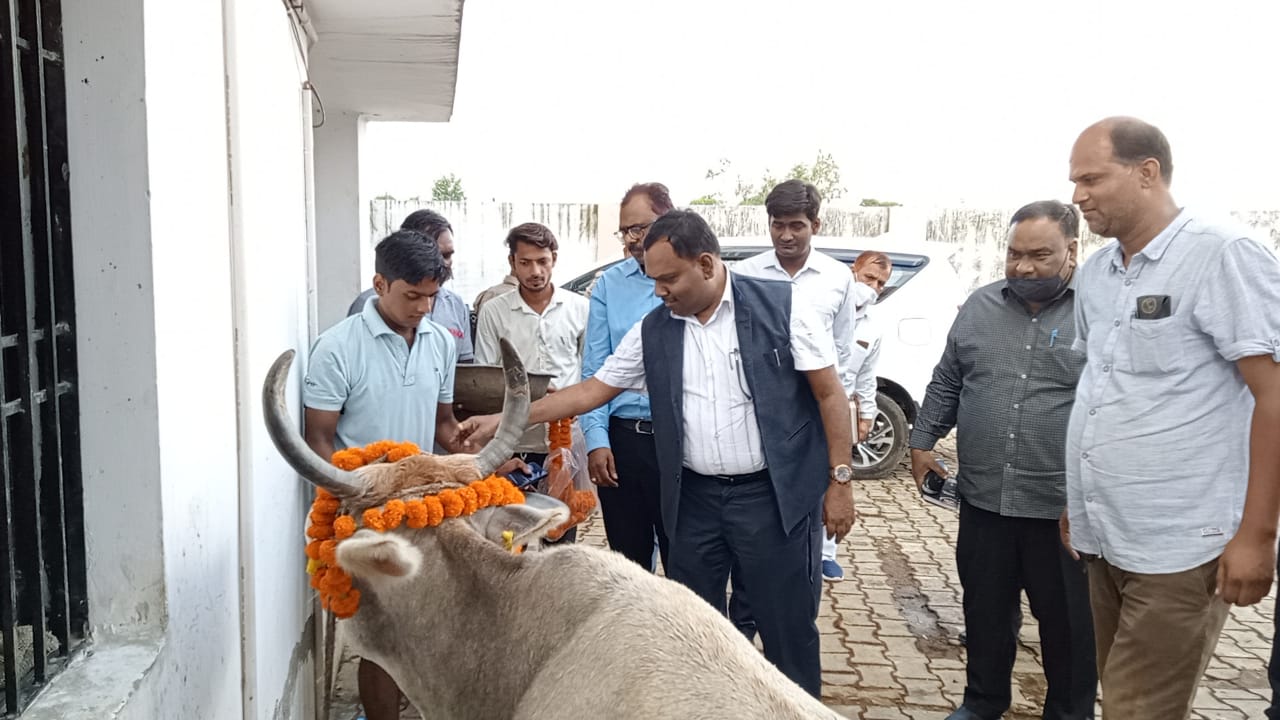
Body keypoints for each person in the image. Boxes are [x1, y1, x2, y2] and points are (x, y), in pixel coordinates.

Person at [457, 210, 857, 696]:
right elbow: (592, 390)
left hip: (772, 500)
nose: (659, 291)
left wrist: (839, 481)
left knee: (787, 628)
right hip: (695, 503)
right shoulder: (655, 329)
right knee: (695, 633)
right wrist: (505, 420)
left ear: (706, 264)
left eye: (668, 279)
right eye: (653, 280)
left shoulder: (784, 307)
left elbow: (830, 395)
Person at [1062, 116, 1280, 720]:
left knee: (1138, 710)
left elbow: (1274, 396)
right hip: (1106, 537)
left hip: (1180, 547)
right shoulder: (1098, 273)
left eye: (1091, 179)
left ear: (1147, 173)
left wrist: (1257, 536)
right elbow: (1101, 389)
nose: (1077, 196)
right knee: (1122, 699)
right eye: (1074, 181)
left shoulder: (1222, 254)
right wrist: (1077, 499)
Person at [910, 200, 1095, 720]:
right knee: (986, 614)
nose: (1024, 267)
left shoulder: (1098, 311)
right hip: (984, 502)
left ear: (1072, 250)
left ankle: (1070, 712)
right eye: (1014, 254)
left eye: (1040, 256)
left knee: (1069, 627)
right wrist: (922, 442)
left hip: (1061, 512)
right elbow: (948, 379)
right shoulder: (980, 306)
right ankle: (982, 703)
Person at [305, 230, 479, 720]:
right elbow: (318, 438)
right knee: (382, 638)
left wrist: (478, 455)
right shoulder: (336, 348)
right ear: (379, 284)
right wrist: (350, 497)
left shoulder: (439, 342)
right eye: (412, 295)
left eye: (432, 296)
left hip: (424, 506)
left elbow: (444, 426)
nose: (424, 307)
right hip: (363, 512)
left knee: (426, 626)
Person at [733, 179, 858, 584]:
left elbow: (842, 350)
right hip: (759, 409)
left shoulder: (837, 277)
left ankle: (815, 558)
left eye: (796, 225)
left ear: (815, 225)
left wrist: (844, 408)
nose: (786, 235)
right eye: (778, 225)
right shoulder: (744, 275)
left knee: (812, 492)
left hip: (816, 405)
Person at [473, 222, 589, 541]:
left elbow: (590, 373)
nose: (535, 271)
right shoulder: (494, 311)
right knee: (510, 539)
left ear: (554, 259)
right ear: (512, 262)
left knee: (561, 535)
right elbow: (486, 378)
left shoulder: (580, 308)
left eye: (542, 261)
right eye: (525, 262)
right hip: (514, 443)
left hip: (565, 443)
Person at [580, 182, 671, 570]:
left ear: (668, 220)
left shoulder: (691, 282)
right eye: (625, 231)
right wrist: (597, 441)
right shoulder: (609, 285)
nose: (632, 239)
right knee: (628, 567)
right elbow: (595, 368)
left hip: (681, 444)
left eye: (640, 228)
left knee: (688, 561)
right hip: (624, 446)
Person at [348, 209, 474, 362]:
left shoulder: (456, 305)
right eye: (412, 296)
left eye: (447, 255)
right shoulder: (367, 306)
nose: (443, 264)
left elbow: (464, 369)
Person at [849, 251, 893, 445]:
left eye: (881, 283)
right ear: (853, 271)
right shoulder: (825, 310)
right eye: (869, 277)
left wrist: (866, 417)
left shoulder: (871, 328)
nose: (874, 287)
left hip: (841, 408)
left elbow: (866, 375)